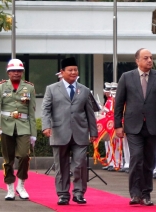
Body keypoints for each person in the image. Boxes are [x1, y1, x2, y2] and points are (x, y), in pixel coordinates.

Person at [114, 48, 156, 206]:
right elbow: (119, 103)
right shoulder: (126, 77)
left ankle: (146, 194)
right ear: (137, 61)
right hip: (133, 126)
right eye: (145, 58)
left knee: (149, 161)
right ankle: (134, 193)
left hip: (153, 125)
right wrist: (117, 125)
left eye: (151, 58)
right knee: (136, 158)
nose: (149, 60)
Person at [42, 57, 98, 205]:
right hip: (59, 132)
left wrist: (93, 132)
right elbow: (46, 110)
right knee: (61, 166)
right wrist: (46, 126)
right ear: (62, 72)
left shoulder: (84, 90)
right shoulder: (52, 89)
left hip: (80, 133)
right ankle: (62, 194)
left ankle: (79, 193)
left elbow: (90, 113)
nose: (73, 72)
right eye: (70, 70)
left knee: (80, 164)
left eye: (75, 70)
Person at [0, 59, 36, 201]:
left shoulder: (29, 87)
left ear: (22, 72)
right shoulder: (1, 87)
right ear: (8, 72)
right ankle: (10, 187)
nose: (16, 73)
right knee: (8, 159)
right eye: (13, 70)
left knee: (24, 156)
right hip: (6, 125)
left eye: (19, 70)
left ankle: (21, 185)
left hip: (23, 125)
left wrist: (33, 133)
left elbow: (32, 111)